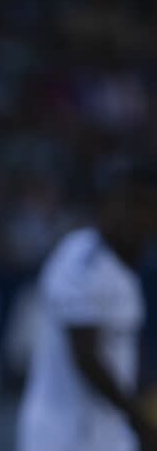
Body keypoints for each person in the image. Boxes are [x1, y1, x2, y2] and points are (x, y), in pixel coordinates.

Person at [17, 163, 157, 451]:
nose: (134, 217)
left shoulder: (126, 269)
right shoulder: (79, 259)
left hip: (109, 433)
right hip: (60, 435)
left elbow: (125, 348)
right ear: (105, 207)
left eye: (144, 206)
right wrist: (140, 419)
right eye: (126, 204)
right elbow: (86, 355)